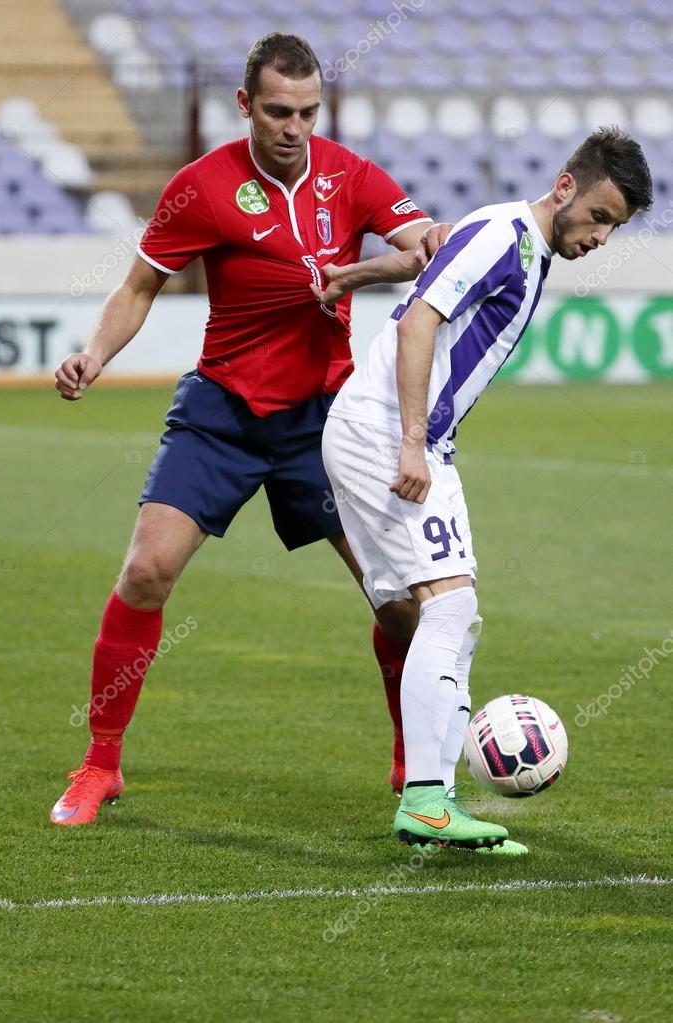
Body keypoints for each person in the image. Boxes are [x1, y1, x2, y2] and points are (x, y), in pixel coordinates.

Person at [49, 33, 448, 825]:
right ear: (246, 106)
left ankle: (415, 772)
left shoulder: (352, 177)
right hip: (223, 410)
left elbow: (431, 249)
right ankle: (99, 765)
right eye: (277, 111)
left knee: (399, 600)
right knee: (145, 572)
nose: (294, 126)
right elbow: (139, 285)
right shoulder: (201, 188)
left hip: (324, 421)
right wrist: (94, 352)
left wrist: (360, 271)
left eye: (307, 111)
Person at [319, 127, 653, 854]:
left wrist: (348, 278)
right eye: (599, 216)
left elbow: (423, 264)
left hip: (411, 439)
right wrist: (411, 439)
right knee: (454, 607)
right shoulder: (504, 232)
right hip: (389, 435)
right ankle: (428, 800)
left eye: (614, 228)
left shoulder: (524, 248)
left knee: (447, 617)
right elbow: (420, 322)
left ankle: (435, 806)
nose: (600, 237)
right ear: (565, 185)